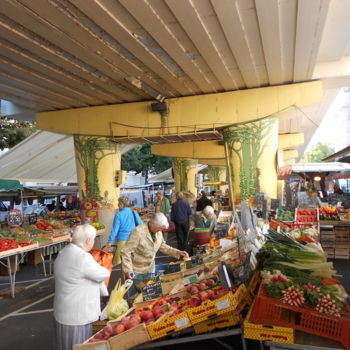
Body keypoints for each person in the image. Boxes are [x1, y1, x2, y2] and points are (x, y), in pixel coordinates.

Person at [53, 224, 110, 350]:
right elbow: (103, 273)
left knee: (64, 345)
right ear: (89, 240)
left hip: (63, 311)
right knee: (78, 346)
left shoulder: (65, 251)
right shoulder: (83, 257)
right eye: (93, 239)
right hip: (77, 315)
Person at [121, 212, 189, 280]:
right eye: (159, 228)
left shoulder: (158, 231)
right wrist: (128, 269)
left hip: (150, 269)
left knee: (148, 288)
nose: (161, 230)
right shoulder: (138, 232)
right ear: (152, 224)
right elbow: (126, 251)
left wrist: (177, 252)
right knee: (136, 289)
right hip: (136, 270)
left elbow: (162, 246)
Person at [105, 196, 142, 265]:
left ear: (122, 205)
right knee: (132, 260)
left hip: (122, 240)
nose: (118, 206)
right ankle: (132, 275)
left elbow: (114, 230)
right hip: (133, 239)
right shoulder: (134, 213)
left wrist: (109, 242)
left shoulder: (118, 215)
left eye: (118, 204)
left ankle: (124, 276)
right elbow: (141, 225)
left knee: (124, 262)